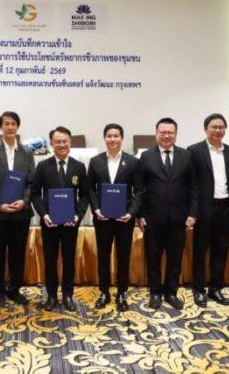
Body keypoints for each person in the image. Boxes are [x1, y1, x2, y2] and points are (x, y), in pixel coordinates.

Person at [137, 118, 198, 311]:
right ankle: (155, 293)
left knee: (175, 258)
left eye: (170, 132)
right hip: (153, 218)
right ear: (156, 134)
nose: (166, 135)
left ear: (175, 134)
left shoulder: (186, 156)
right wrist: (140, 214)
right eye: (162, 132)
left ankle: (171, 292)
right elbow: (139, 189)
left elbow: (193, 187)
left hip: (179, 218)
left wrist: (193, 213)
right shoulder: (146, 156)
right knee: (153, 258)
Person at [31, 126, 90, 312]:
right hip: (49, 222)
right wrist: (44, 214)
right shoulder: (43, 166)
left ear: (70, 143)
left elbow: (85, 195)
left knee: (69, 259)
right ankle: (51, 295)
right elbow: (35, 194)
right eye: (58, 142)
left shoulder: (78, 166)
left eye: (65, 141)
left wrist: (78, 215)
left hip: (70, 223)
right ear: (51, 144)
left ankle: (68, 295)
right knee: (50, 260)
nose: (62, 145)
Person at [0, 111, 36, 307]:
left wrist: (24, 201)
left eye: (13, 123)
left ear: (17, 126)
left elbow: (31, 182)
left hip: (21, 212)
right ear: (1, 127)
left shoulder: (27, 152)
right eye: (6, 123)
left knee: (17, 252)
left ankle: (14, 289)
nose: (10, 127)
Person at [87, 123, 141, 311]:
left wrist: (131, 213)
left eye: (116, 136)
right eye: (109, 136)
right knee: (103, 255)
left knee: (123, 256)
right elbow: (90, 189)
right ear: (105, 138)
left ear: (122, 138)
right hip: (102, 218)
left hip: (124, 219)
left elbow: (139, 191)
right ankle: (104, 292)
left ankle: (122, 292)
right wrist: (96, 209)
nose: (113, 139)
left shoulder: (132, 162)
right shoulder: (95, 161)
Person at [187, 114, 229, 308]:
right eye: (213, 127)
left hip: (225, 207)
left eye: (221, 127)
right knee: (200, 251)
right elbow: (191, 184)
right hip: (203, 208)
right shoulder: (194, 151)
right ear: (205, 129)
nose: (218, 130)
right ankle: (199, 289)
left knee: (221, 250)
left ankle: (215, 288)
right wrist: (192, 211)